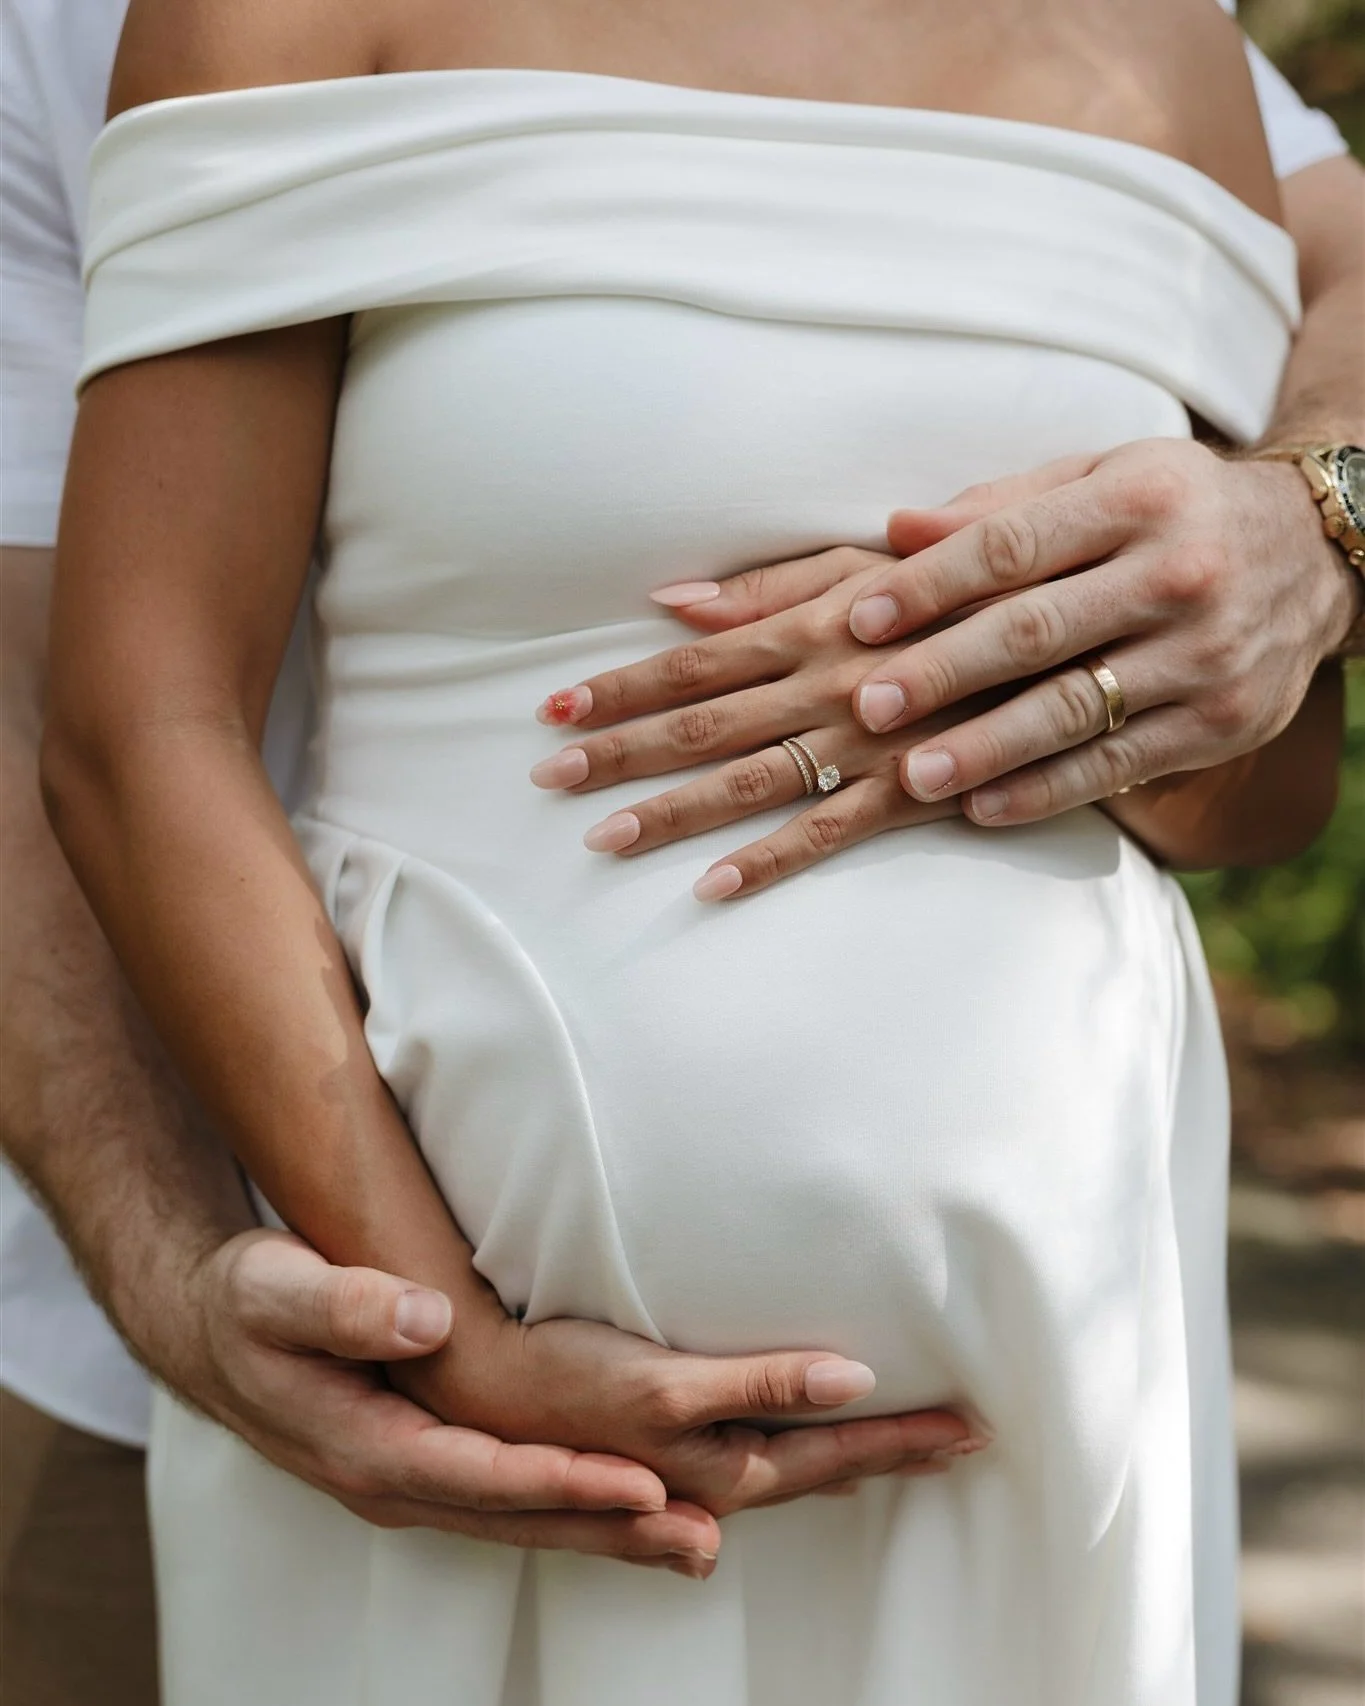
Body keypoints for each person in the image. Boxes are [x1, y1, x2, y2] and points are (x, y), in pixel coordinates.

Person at [20, 1, 1365, 1704]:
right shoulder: (273, 16)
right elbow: (129, 727)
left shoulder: (1156, 45)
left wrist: (1172, 616)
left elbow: (1272, 775)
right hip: (466, 1434)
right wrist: (456, 1350)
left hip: (1032, 1398)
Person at [1, 3, 977, 1700]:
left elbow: (1306, 229)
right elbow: (33, 711)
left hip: (963, 1436)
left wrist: (1313, 505)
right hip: (188, 1339)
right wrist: (196, 1272)